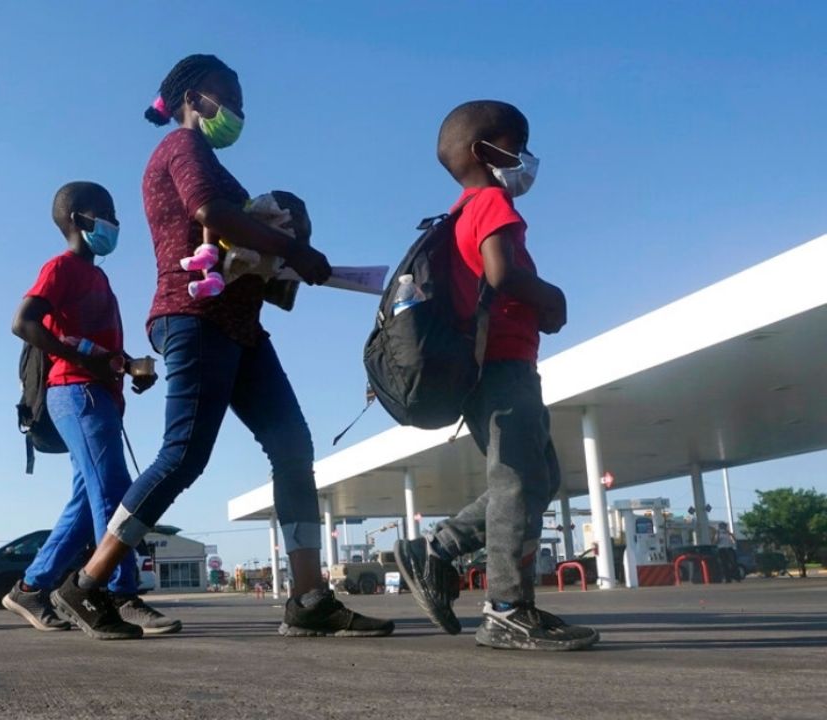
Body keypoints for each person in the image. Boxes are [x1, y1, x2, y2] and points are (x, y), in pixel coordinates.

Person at [50, 54, 393, 640]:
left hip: (239, 325)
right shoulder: (182, 147)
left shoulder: (207, 159)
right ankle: (83, 586)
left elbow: (235, 241)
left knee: (292, 446)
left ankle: (310, 598)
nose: (236, 110)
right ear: (192, 98)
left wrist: (286, 251)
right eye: (226, 97)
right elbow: (210, 212)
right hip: (195, 317)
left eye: (240, 101)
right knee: (183, 455)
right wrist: (295, 252)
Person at [394, 100, 598, 651]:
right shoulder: (490, 202)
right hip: (502, 365)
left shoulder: (462, 211)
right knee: (517, 481)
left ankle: (437, 548)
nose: (526, 158)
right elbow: (502, 273)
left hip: (493, 364)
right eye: (518, 145)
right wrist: (553, 298)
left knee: (535, 478)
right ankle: (507, 608)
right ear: (484, 151)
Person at [5, 181, 178, 638]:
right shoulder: (62, 267)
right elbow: (22, 321)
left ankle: (30, 587)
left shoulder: (98, 277)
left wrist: (127, 366)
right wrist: (84, 361)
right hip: (76, 392)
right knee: (115, 492)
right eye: (107, 214)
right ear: (78, 218)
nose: (115, 224)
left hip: (98, 394)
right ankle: (118, 595)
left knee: (86, 502)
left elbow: (95, 346)